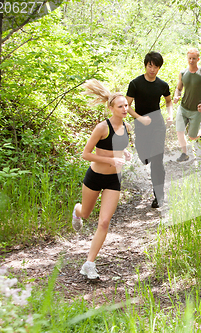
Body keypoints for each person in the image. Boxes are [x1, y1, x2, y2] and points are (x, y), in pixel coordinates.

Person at [72, 79, 132, 280]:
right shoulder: (101, 128)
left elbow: (118, 147)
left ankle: (89, 263)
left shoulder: (127, 127)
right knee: (86, 214)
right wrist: (111, 158)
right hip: (95, 177)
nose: (125, 109)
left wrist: (125, 153)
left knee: (104, 222)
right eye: (121, 106)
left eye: (126, 105)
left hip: (114, 180)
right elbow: (86, 154)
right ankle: (77, 210)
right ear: (111, 108)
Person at [126, 51, 173, 208]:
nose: (152, 69)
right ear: (146, 65)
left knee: (157, 161)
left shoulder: (162, 85)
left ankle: (159, 196)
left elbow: (168, 102)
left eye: (156, 66)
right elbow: (127, 106)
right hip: (140, 125)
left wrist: (170, 115)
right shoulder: (135, 84)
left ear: (159, 68)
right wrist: (139, 118)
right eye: (150, 66)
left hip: (158, 125)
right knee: (144, 156)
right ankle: (148, 158)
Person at [173, 48, 201, 162]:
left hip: (196, 110)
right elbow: (178, 88)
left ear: (198, 59)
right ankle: (184, 154)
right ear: (187, 58)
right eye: (189, 58)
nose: (191, 60)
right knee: (179, 131)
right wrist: (177, 96)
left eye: (194, 58)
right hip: (183, 108)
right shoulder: (183, 73)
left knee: (192, 136)